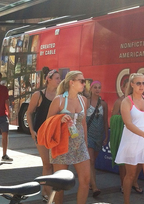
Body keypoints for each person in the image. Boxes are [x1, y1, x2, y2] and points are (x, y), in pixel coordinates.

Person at [115, 73, 144, 204]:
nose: (142, 86)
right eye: (138, 83)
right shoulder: (126, 101)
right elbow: (128, 124)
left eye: (143, 83)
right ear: (132, 85)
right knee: (130, 175)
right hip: (132, 140)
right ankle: (126, 202)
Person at [45, 71, 90, 204]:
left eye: (84, 81)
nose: (84, 84)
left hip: (79, 145)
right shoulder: (59, 100)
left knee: (86, 180)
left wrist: (85, 143)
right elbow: (48, 122)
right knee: (60, 184)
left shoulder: (83, 100)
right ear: (71, 82)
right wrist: (60, 118)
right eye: (81, 81)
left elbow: (83, 124)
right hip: (61, 145)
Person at [26, 69, 60, 201]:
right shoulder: (39, 95)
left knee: (55, 164)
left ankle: (50, 191)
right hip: (41, 133)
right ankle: (46, 192)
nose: (59, 80)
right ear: (48, 79)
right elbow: (29, 112)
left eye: (59, 78)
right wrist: (31, 130)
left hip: (56, 134)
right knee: (47, 164)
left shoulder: (60, 95)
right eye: (57, 78)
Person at [110, 78, 144, 194]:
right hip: (124, 134)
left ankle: (134, 182)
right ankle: (123, 184)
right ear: (123, 88)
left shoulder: (140, 100)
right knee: (124, 162)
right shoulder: (120, 101)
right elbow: (113, 118)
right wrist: (125, 120)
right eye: (126, 87)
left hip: (139, 135)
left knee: (139, 160)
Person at [86, 80, 108, 197]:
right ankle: (94, 187)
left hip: (99, 135)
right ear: (91, 89)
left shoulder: (103, 104)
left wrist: (106, 135)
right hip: (88, 134)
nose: (97, 89)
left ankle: (90, 181)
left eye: (99, 87)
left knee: (93, 161)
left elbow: (105, 121)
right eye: (95, 87)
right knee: (91, 161)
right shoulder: (86, 102)